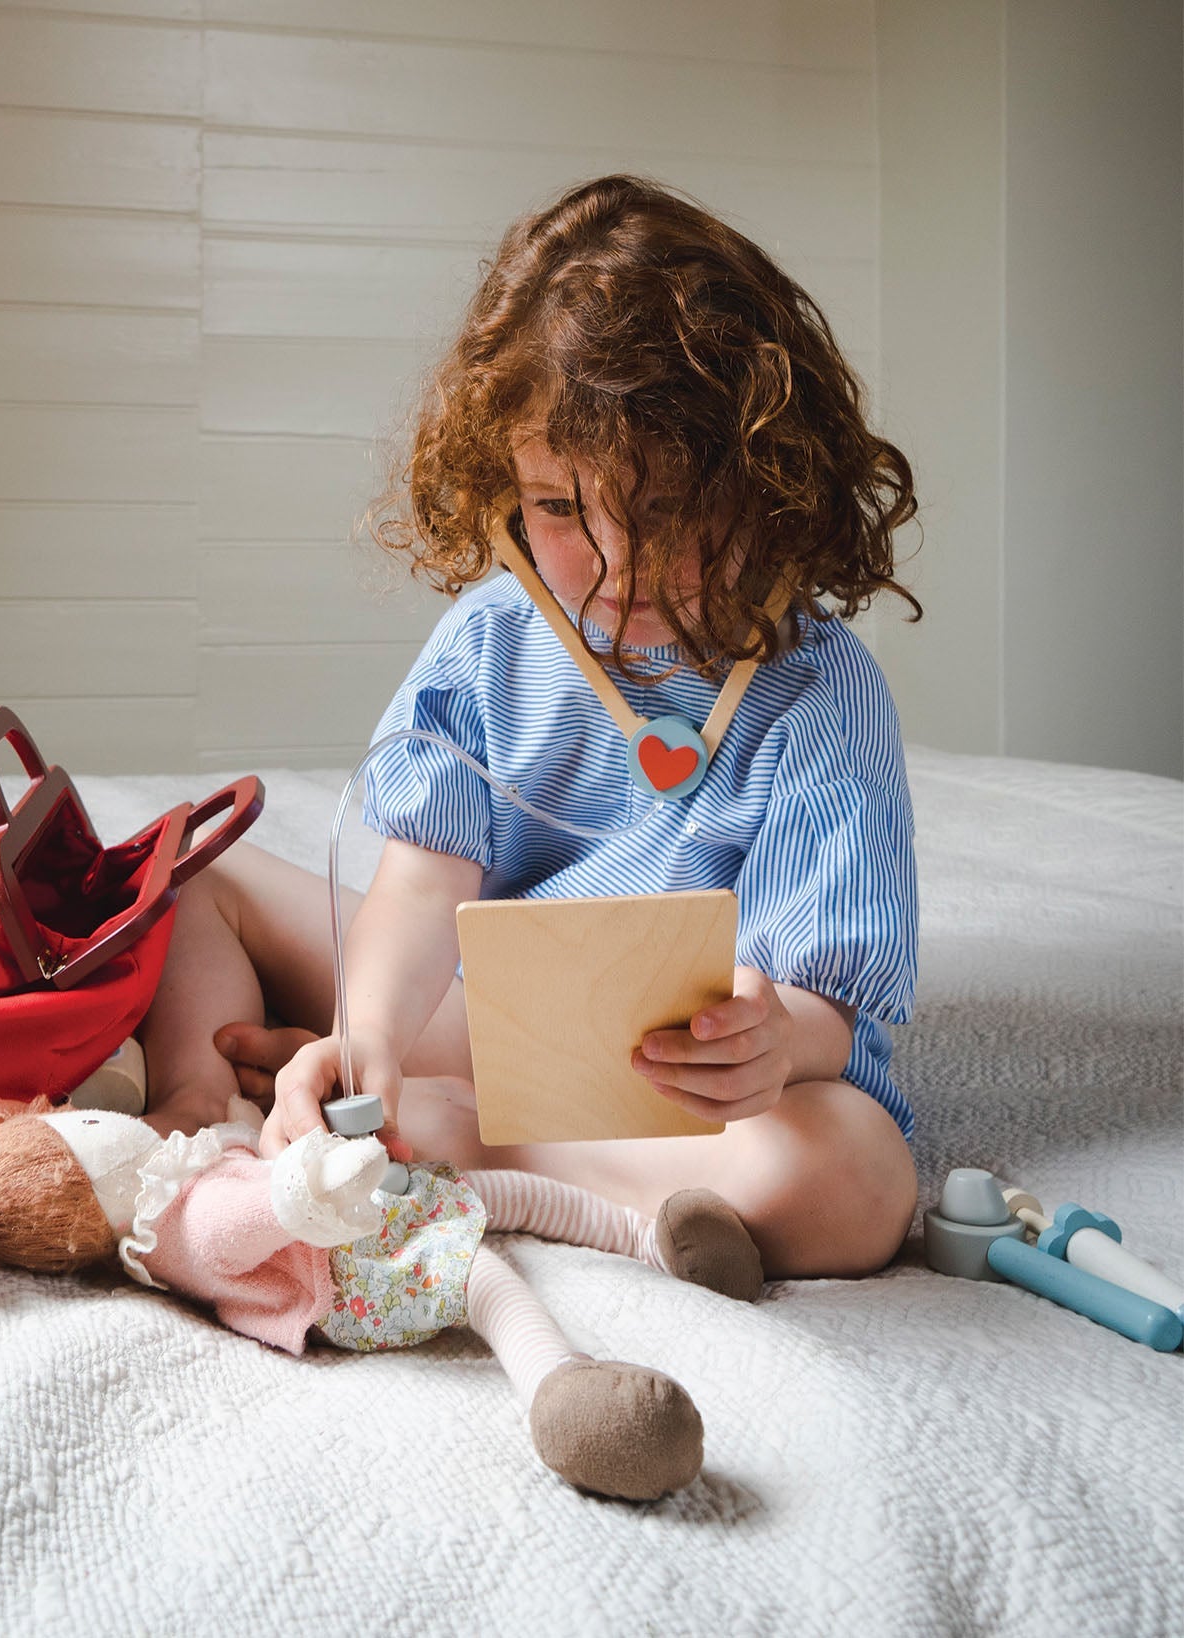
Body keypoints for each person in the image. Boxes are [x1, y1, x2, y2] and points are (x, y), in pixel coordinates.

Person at [140, 174, 923, 1283]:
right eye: (560, 509)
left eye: (659, 510)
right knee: (185, 871)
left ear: (765, 481)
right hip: (490, 1021)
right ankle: (196, 1115)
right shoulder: (491, 644)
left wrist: (776, 1042)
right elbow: (419, 891)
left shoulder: (821, 694)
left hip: (686, 1084)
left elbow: (826, 1012)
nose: (614, 565)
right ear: (504, 485)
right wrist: (368, 1033)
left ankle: (471, 1142)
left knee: (857, 1183)